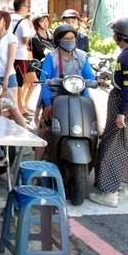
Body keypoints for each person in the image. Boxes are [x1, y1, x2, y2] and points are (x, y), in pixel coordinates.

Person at [89, 17, 128, 207]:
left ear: (121, 36)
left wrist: (122, 112)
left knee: (113, 146)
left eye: (115, 32)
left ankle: (109, 193)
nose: (113, 35)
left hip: (126, 105)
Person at [37, 22, 96, 159]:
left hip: (80, 98)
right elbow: (44, 79)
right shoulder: (51, 57)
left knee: (93, 127)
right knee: (44, 130)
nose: (70, 42)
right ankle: (37, 166)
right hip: (54, 98)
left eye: (72, 39)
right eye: (66, 39)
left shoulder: (82, 56)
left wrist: (95, 80)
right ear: (58, 40)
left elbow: (89, 75)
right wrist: (47, 103)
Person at [26, 13, 54, 120]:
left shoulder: (51, 35)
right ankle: (37, 116)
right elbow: (39, 53)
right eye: (42, 21)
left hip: (53, 66)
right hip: (41, 67)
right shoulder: (34, 38)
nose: (45, 23)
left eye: (46, 21)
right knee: (44, 89)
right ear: (37, 23)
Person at [9, 0, 33, 116]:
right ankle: (19, 107)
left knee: (9, 80)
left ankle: (8, 106)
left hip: (8, 54)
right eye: (26, 6)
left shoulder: (8, 19)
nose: (27, 9)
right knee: (19, 81)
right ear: (22, 7)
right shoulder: (23, 21)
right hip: (20, 54)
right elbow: (25, 40)